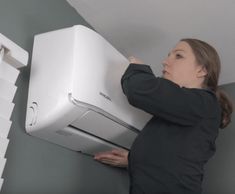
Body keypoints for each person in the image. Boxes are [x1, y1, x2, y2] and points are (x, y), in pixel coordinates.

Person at [94, 38, 233, 194]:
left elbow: (138, 89)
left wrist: (137, 67)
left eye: (178, 56)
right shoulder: (186, 110)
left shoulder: (205, 102)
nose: (165, 62)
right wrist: (132, 160)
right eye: (168, 55)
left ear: (201, 70)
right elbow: (171, 157)